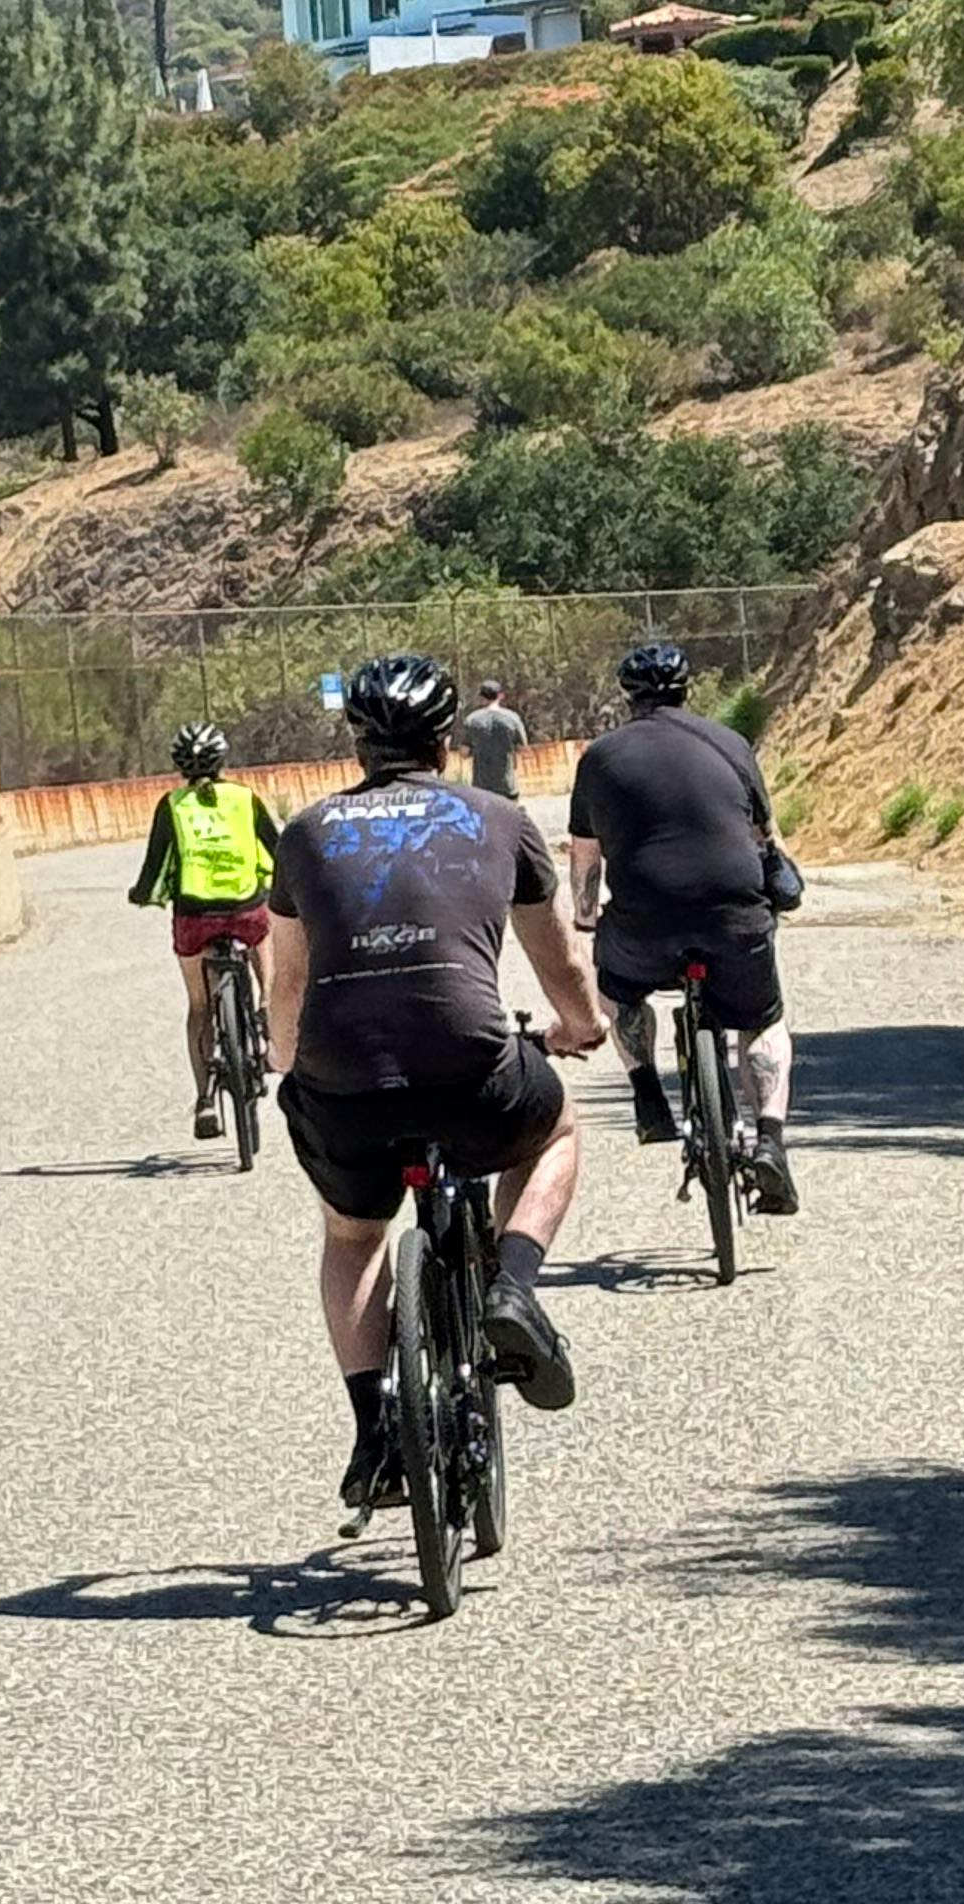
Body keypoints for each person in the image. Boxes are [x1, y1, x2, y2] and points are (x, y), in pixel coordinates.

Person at [264, 654, 608, 1517]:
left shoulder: (306, 833)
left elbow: (287, 992)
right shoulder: (499, 819)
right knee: (557, 1131)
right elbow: (559, 961)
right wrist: (583, 1026)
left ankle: (374, 1428)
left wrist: (285, 1061)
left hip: (344, 1080)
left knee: (353, 1236)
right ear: (446, 742)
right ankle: (513, 1288)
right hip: (468, 1067)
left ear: (357, 744)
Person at [567, 641, 800, 1215]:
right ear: (686, 691)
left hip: (646, 916)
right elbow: (764, 837)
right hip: (732, 908)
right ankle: (769, 1141)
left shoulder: (600, 757)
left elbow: (584, 855)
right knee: (763, 1020)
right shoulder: (731, 744)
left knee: (617, 989)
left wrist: (585, 915)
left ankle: (648, 1094)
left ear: (628, 698)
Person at [125, 720, 282, 1140]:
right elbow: (276, 846)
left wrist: (141, 894)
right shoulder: (244, 799)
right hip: (245, 908)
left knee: (198, 1006)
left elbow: (155, 866)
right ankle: (267, 1010)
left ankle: (205, 1101)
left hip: (194, 915)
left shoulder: (172, 805)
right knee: (262, 936)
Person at [459, 679, 530, 800]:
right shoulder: (512, 718)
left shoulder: (471, 720)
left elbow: (463, 753)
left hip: (481, 787)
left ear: (481, 697)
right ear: (500, 696)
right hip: (506, 786)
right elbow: (524, 750)